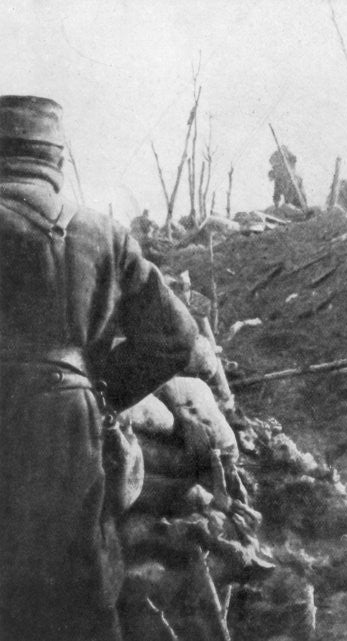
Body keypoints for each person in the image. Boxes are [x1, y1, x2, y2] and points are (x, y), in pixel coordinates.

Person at [0, 95, 199, 640]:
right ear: (56, 160)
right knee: (81, 580)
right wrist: (99, 389)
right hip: (71, 419)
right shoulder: (102, 232)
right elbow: (176, 337)